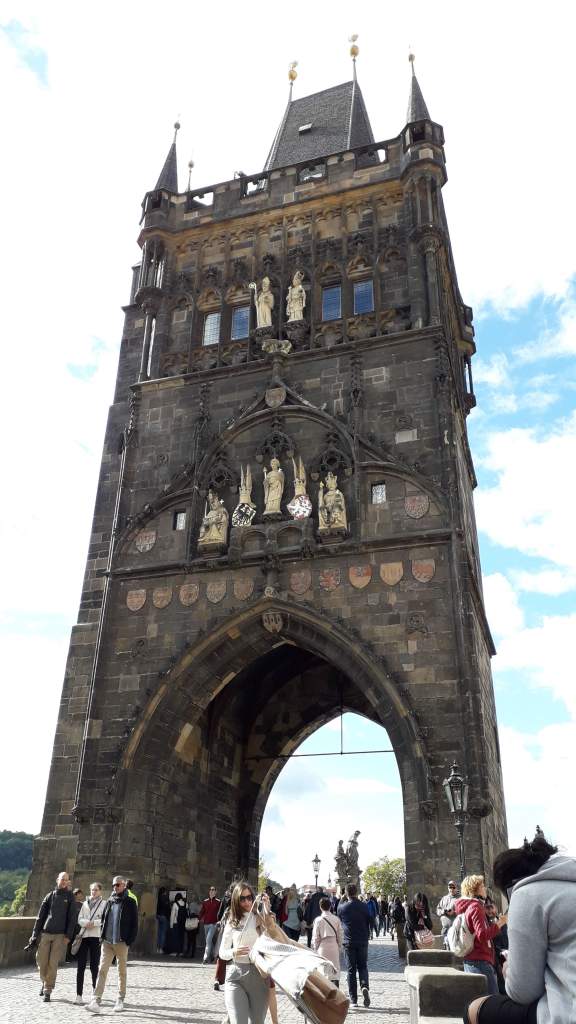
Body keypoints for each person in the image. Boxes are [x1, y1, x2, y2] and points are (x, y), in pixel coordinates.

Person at [465, 830, 576, 1024]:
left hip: (568, 1012)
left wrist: (508, 968)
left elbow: (522, 992)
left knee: (473, 1009)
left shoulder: (526, 894)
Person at [85, 874, 139, 1014]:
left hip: (121, 942)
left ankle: (120, 1000)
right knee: (102, 970)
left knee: (121, 971)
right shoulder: (110, 900)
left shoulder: (130, 902)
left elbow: (135, 924)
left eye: (118, 885)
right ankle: (96, 1000)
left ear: (124, 885)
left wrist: (129, 941)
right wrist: (102, 937)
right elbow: (104, 919)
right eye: (113, 885)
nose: (115, 887)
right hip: (107, 942)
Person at [219, 881, 271, 1024]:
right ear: (236, 900)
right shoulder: (232, 920)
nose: (247, 901)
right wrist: (234, 952)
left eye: (249, 897)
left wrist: (267, 910)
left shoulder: (259, 917)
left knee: (257, 1021)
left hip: (259, 976)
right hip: (236, 976)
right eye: (242, 899)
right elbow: (222, 952)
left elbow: (274, 938)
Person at [28, 870, 77, 1003]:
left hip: (60, 935)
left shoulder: (70, 897)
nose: (64, 881)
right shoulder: (50, 896)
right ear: (57, 880)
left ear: (68, 882)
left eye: (66, 879)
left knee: (53, 963)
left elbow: (72, 918)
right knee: (41, 960)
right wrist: (34, 935)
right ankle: (44, 982)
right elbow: (40, 917)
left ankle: (48, 990)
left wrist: (68, 935)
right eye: (62, 879)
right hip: (46, 933)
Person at [454, 875, 506, 997]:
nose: (485, 888)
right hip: (480, 961)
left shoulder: (468, 906)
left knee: (481, 1000)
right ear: (475, 890)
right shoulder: (476, 907)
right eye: (482, 886)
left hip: (472, 960)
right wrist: (500, 923)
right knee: (492, 1001)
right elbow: (482, 936)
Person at [337, 882, 371, 1007]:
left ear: (346, 893)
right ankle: (364, 985)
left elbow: (338, 912)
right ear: (357, 892)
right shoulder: (364, 906)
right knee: (363, 966)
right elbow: (370, 920)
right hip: (362, 940)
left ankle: (354, 1000)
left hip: (349, 942)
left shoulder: (343, 907)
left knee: (351, 970)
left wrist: (342, 899)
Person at [75, 882, 105, 1005]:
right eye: (92, 890)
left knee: (94, 966)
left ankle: (95, 993)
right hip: (84, 936)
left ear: (100, 891)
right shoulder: (85, 903)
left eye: (96, 890)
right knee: (80, 966)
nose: (94, 892)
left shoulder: (104, 904)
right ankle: (79, 995)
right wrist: (86, 923)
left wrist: (95, 923)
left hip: (95, 936)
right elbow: (79, 918)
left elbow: (105, 919)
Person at [312, 896, 344, 986]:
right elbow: (340, 935)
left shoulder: (318, 920)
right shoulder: (336, 919)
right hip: (334, 946)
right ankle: (336, 991)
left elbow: (316, 937)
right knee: (335, 971)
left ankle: (325, 992)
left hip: (322, 947)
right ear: (330, 906)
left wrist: (315, 949)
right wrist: (340, 946)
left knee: (323, 971)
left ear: (320, 907)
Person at [200, 885, 221, 963]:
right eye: (210, 890)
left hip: (213, 924)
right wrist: (198, 919)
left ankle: (205, 958)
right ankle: (213, 955)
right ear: (209, 892)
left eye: (213, 890)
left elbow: (220, 912)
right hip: (206, 924)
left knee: (208, 940)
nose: (211, 891)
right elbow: (202, 911)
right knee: (209, 941)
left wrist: (219, 921)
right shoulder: (205, 901)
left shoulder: (218, 902)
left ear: (215, 892)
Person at [169, 892, 187, 956]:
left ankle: (175, 952)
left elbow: (172, 915)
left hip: (176, 923)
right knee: (182, 938)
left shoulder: (175, 904)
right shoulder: (185, 904)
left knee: (175, 938)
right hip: (183, 923)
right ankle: (181, 952)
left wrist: (171, 925)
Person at [185, 892, 201, 960]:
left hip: (191, 921)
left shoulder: (191, 904)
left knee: (189, 938)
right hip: (196, 922)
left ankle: (188, 952)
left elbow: (189, 912)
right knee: (194, 939)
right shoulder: (200, 905)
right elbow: (200, 913)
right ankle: (192, 953)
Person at [156, 886, 170, 954]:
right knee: (163, 933)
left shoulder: (158, 897)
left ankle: (157, 948)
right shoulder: (165, 898)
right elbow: (167, 908)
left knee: (159, 933)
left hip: (158, 915)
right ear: (164, 892)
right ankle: (161, 948)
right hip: (164, 916)